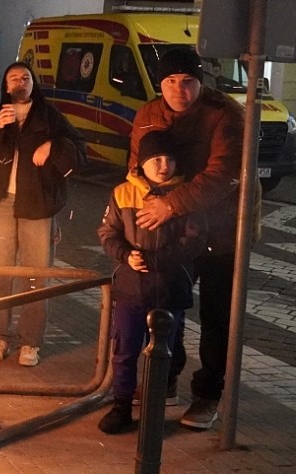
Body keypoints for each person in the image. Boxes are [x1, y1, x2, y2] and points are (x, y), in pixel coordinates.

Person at [129, 47, 244, 431]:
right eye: (171, 81)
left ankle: (208, 395)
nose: (180, 89)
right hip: (170, 234)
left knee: (215, 316)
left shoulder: (225, 114)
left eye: (188, 81)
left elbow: (223, 173)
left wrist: (171, 205)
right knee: (164, 306)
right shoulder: (147, 114)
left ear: (201, 81)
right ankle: (165, 378)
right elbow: (135, 167)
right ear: (160, 83)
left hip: (220, 232)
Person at [0, 61, 85, 367]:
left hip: (38, 204)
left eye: (26, 77)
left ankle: (31, 341)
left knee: (37, 275)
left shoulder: (49, 116)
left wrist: (53, 145)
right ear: (6, 87)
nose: (20, 82)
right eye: (13, 78)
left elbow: (79, 150)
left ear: (33, 84)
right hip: (1, 203)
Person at [96, 130, 204, 434]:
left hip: (170, 288)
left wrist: (160, 261)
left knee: (163, 353)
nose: (163, 165)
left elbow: (195, 239)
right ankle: (121, 406)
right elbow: (107, 233)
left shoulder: (185, 196)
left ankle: (154, 408)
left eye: (169, 159)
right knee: (125, 349)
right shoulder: (122, 193)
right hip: (131, 288)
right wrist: (126, 254)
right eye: (155, 159)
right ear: (141, 164)